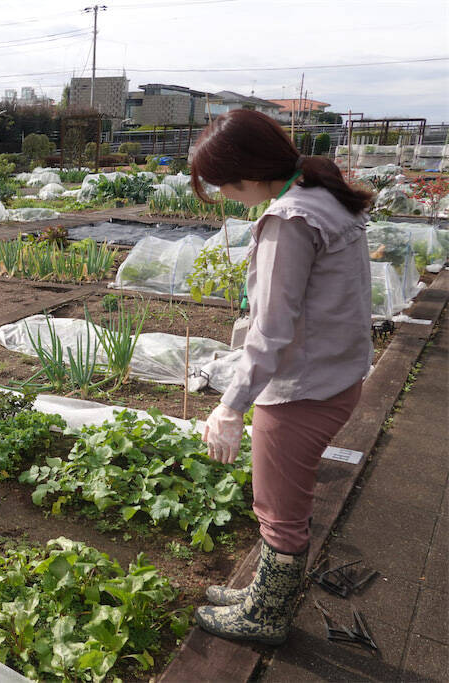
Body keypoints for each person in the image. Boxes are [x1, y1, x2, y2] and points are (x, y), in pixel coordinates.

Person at [190, 110, 373, 644]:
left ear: (245, 173)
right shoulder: (325, 198)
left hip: (301, 389)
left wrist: (230, 405)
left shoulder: (290, 220)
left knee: (278, 508)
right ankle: (261, 595)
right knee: (283, 501)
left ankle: (265, 617)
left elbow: (270, 332)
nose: (223, 194)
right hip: (336, 375)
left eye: (222, 183)